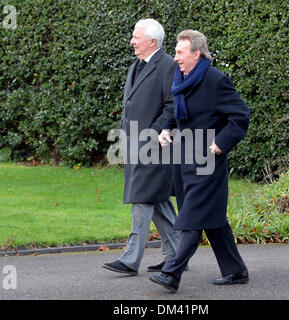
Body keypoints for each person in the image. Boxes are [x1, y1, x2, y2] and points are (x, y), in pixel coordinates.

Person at [149, 30, 251, 293]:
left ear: (196, 54)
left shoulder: (216, 80)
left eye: (180, 53)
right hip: (183, 160)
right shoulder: (181, 78)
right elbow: (178, 111)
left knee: (191, 217)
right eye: (176, 52)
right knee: (212, 219)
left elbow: (240, 115)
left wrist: (220, 143)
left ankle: (171, 273)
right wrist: (165, 128)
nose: (175, 58)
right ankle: (236, 270)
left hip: (207, 160)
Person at [103, 19, 181, 276]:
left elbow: (172, 107)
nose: (131, 41)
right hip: (133, 144)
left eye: (136, 37)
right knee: (157, 200)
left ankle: (130, 259)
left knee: (142, 198)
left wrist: (153, 133)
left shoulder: (168, 66)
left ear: (152, 41)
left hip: (154, 145)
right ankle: (178, 254)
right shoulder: (137, 66)